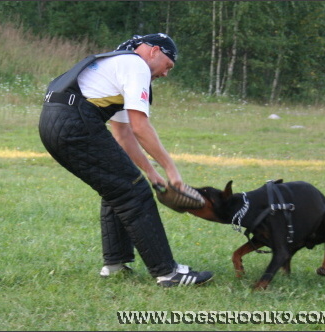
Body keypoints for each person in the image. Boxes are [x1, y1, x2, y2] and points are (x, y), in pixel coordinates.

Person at [39, 33, 213, 287]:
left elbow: (124, 134)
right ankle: (168, 273)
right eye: (169, 65)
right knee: (134, 192)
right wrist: (171, 170)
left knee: (118, 187)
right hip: (75, 123)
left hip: (54, 123)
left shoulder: (118, 66)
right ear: (154, 51)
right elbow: (140, 127)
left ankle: (115, 265)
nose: (166, 74)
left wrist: (153, 175)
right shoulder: (136, 65)